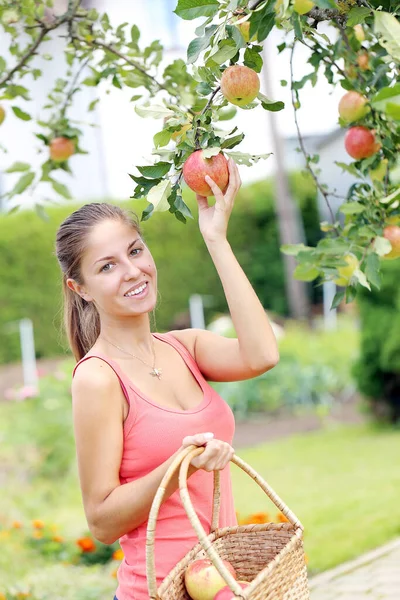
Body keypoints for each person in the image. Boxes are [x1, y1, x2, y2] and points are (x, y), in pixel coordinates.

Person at [55, 158, 279, 600]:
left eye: (135, 251)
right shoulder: (99, 379)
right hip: (155, 591)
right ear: (80, 288)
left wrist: (215, 238)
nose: (133, 270)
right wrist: (180, 466)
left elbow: (263, 354)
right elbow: (101, 520)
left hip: (220, 585)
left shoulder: (186, 347)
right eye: (107, 266)